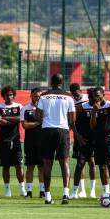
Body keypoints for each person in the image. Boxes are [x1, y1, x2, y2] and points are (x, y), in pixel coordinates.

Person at [35, 73, 76, 205]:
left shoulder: (44, 96)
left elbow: (37, 115)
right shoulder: (68, 96)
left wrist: (47, 120)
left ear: (50, 82)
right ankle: (65, 193)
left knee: (47, 163)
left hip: (47, 130)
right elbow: (72, 118)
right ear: (61, 82)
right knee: (64, 163)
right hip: (63, 130)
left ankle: (47, 196)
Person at [89, 87, 110, 200]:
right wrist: (94, 112)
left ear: (103, 94)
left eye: (98, 95)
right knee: (102, 167)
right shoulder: (94, 107)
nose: (96, 98)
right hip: (97, 141)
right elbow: (92, 126)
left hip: (109, 141)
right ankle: (106, 192)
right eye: (94, 96)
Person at [0, 85, 25, 197]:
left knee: (19, 165)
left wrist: (6, 118)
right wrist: (12, 120)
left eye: (11, 95)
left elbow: (20, 119)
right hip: (3, 140)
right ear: (3, 96)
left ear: (14, 95)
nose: (9, 97)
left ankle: (22, 189)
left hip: (15, 139)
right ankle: (7, 190)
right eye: (7, 95)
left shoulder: (19, 106)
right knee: (5, 166)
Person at [69, 83, 96, 199]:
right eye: (73, 95)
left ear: (80, 91)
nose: (75, 97)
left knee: (92, 162)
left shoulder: (89, 99)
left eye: (76, 94)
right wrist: (77, 135)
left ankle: (93, 191)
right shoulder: (73, 103)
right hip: (81, 136)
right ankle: (81, 190)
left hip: (93, 137)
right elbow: (72, 120)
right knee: (80, 163)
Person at [20, 87, 45, 198]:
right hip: (30, 142)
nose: (37, 98)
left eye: (39, 96)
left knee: (42, 167)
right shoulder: (25, 109)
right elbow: (25, 125)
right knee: (30, 167)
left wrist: (35, 123)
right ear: (31, 95)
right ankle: (29, 192)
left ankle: (42, 191)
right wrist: (38, 123)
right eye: (35, 96)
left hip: (43, 141)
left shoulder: (45, 109)